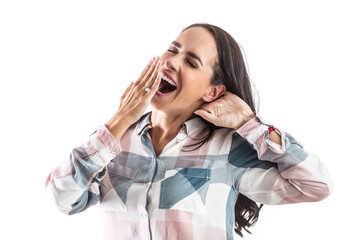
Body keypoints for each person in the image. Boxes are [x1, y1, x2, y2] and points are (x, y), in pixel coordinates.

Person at [45, 23, 333, 240]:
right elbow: (62, 198)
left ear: (213, 91)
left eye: (191, 61)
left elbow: (316, 185)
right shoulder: (112, 143)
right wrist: (120, 118)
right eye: (172, 49)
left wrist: (250, 123)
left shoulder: (226, 151)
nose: (171, 61)